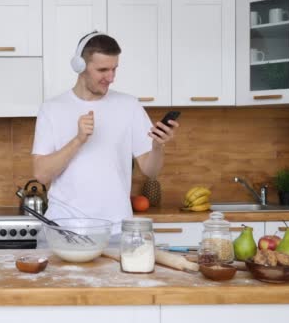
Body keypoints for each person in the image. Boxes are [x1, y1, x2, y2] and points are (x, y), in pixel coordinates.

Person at [32, 31, 179, 234]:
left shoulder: (130, 106)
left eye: (114, 69)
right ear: (80, 66)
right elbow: (41, 174)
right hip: (64, 229)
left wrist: (157, 146)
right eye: (102, 70)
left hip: (116, 230)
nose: (110, 78)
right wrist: (78, 140)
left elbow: (150, 170)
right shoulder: (52, 109)